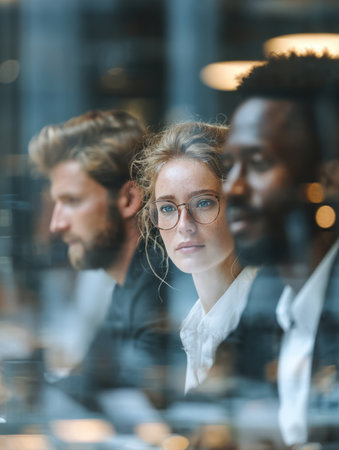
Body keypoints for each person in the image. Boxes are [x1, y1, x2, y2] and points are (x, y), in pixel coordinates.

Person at [28, 110, 194, 414]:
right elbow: (88, 382)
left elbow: (146, 399)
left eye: (73, 201)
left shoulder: (166, 284)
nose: (56, 224)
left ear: (130, 200)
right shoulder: (128, 283)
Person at [222, 53, 339, 448]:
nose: (231, 189)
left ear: (329, 178)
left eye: (258, 162)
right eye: (229, 166)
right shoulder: (266, 302)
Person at [133, 121, 257, 393]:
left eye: (203, 202)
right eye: (167, 208)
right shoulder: (195, 324)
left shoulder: (262, 315)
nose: (183, 225)